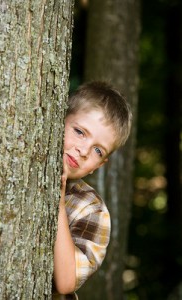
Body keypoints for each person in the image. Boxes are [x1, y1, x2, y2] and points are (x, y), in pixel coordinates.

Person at [52, 81, 132, 299]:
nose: (84, 150)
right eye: (79, 131)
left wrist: (57, 202)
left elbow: (66, 282)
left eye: (98, 150)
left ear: (99, 165)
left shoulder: (93, 210)